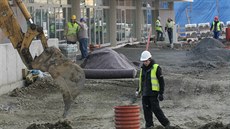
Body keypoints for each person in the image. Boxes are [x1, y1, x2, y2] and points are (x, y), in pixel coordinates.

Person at [136, 50, 170, 129]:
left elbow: (161, 82)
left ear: (150, 59)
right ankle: (149, 126)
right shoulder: (142, 69)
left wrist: (161, 93)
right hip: (145, 94)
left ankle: (166, 124)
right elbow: (141, 81)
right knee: (146, 111)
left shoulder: (156, 68)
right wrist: (138, 90)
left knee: (156, 110)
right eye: (143, 61)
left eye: (146, 61)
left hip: (153, 93)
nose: (145, 62)